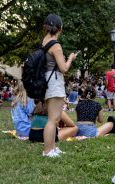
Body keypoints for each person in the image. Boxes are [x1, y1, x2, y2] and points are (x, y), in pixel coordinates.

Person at [42, 14, 77, 157]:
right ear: (60, 29)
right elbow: (64, 68)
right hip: (54, 81)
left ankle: (52, 147)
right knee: (53, 119)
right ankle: (48, 150)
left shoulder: (44, 41)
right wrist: (70, 58)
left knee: (53, 118)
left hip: (46, 80)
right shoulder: (56, 45)